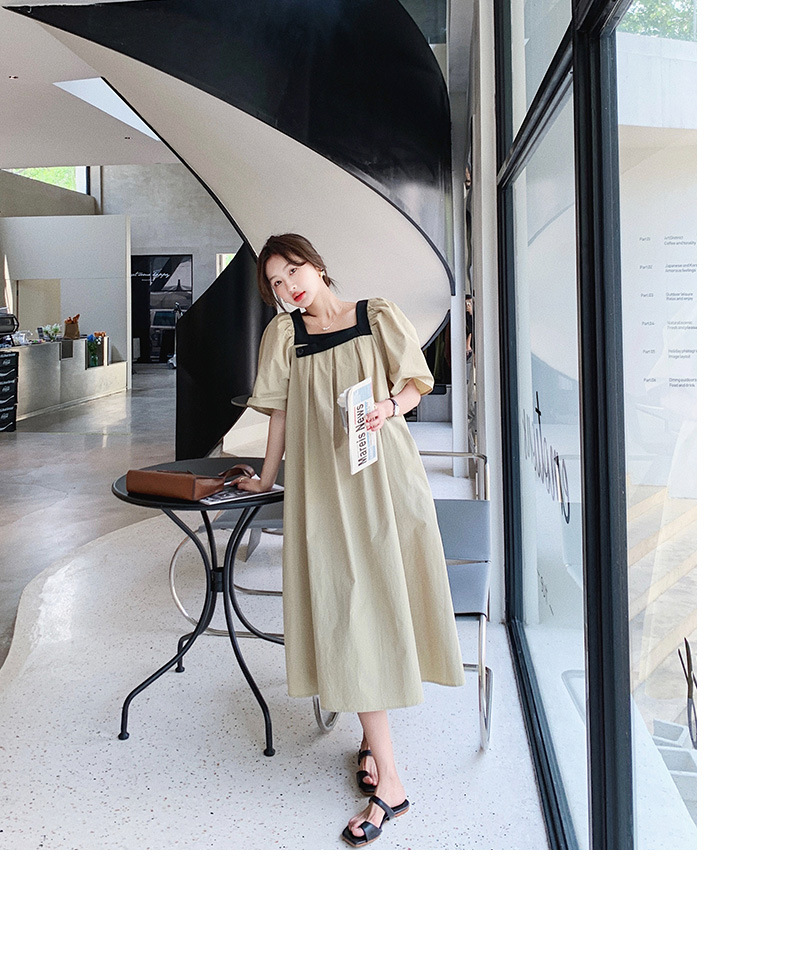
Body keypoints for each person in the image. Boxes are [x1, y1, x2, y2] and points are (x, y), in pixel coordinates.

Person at [234, 234, 464, 848]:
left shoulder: (375, 316)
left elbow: (415, 383)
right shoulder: (285, 337)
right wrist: (267, 477)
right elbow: (280, 413)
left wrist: (389, 407)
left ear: (317, 265)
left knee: (381, 606)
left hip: (386, 481)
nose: (288, 288)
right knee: (352, 612)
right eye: (276, 284)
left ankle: (385, 775)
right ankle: (386, 769)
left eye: (293, 271)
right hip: (324, 492)